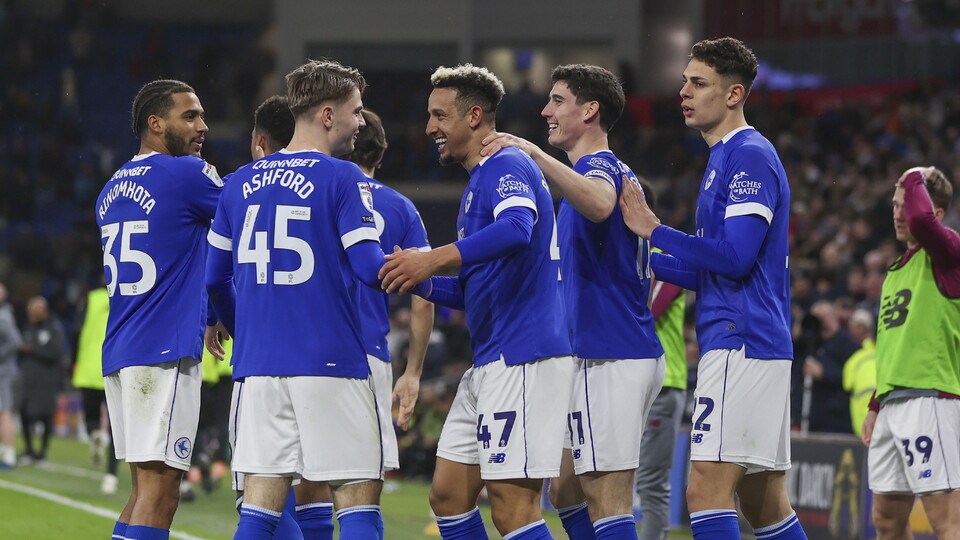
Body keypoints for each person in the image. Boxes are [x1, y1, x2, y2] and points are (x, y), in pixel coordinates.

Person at [619, 37, 806, 539]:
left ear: (733, 94)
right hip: (752, 339)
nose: (684, 91)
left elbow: (736, 256)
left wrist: (654, 229)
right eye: (685, 80)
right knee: (763, 502)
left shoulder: (748, 155)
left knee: (704, 490)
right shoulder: (725, 157)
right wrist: (646, 263)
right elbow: (712, 271)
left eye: (698, 83)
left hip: (740, 338)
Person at [379, 63, 574, 540]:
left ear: (474, 116)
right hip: (491, 360)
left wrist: (433, 260)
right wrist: (415, 279)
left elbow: (516, 228)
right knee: (446, 496)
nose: (429, 128)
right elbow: (473, 289)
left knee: (514, 508)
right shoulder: (476, 186)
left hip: (523, 356)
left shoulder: (505, 163)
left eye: (440, 115)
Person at [480, 64, 664, 539]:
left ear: (590, 110)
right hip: (594, 353)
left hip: (613, 353)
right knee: (563, 488)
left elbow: (602, 204)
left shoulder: (598, 167)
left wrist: (534, 154)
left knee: (607, 499)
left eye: (557, 100)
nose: (546, 110)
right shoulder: (581, 182)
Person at [205, 59, 388, 540]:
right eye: (357, 110)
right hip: (331, 363)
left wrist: (246, 332)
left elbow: (213, 279)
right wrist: (441, 267)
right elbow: (371, 271)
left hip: (257, 368)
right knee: (356, 500)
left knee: (260, 509)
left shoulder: (237, 185)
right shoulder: (343, 178)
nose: (362, 121)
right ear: (328, 115)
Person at [95, 79, 221, 540]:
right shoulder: (187, 174)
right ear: (155, 123)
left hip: (123, 349)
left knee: (143, 490)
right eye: (189, 116)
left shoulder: (109, 189)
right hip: (162, 349)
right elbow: (246, 216)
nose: (202, 126)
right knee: (162, 493)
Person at [861, 166, 960, 539]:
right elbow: (891, 348)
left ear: (936, 215)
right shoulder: (896, 270)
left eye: (906, 205)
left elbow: (920, 216)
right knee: (885, 519)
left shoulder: (949, 253)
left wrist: (914, 175)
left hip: (930, 398)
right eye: (894, 205)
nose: (898, 214)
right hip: (892, 404)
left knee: (945, 521)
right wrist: (875, 404)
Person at [636, 184, 688, 540]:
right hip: (634, 381)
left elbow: (646, 313)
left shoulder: (664, 256)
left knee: (651, 485)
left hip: (664, 384)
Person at [71, 283, 120, 493]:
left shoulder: (89, 298)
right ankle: (111, 476)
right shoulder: (126, 295)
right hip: (115, 367)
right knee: (116, 427)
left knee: (90, 419)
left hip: (89, 367)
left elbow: (75, 331)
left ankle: (94, 435)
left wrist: (74, 360)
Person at [796, 300, 859, 434]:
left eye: (822, 317)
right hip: (810, 417)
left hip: (837, 420)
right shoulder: (810, 342)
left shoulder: (848, 344)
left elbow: (854, 378)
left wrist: (824, 373)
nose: (819, 322)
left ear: (833, 316)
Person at [18, 296, 67, 464]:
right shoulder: (29, 327)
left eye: (33, 311)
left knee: (47, 416)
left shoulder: (54, 327)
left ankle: (42, 453)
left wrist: (32, 349)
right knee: (23, 411)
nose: (30, 315)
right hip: (29, 380)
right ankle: (29, 450)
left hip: (47, 381)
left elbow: (56, 353)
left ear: (42, 311)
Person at [841, 309, 875, 438]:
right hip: (881, 408)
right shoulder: (880, 353)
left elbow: (847, 384)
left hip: (862, 414)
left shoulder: (855, 358)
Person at [0, 283, 22, 469]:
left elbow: (16, 342)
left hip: (4, 373)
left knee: (5, 412)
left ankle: (9, 455)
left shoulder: (3, 317)